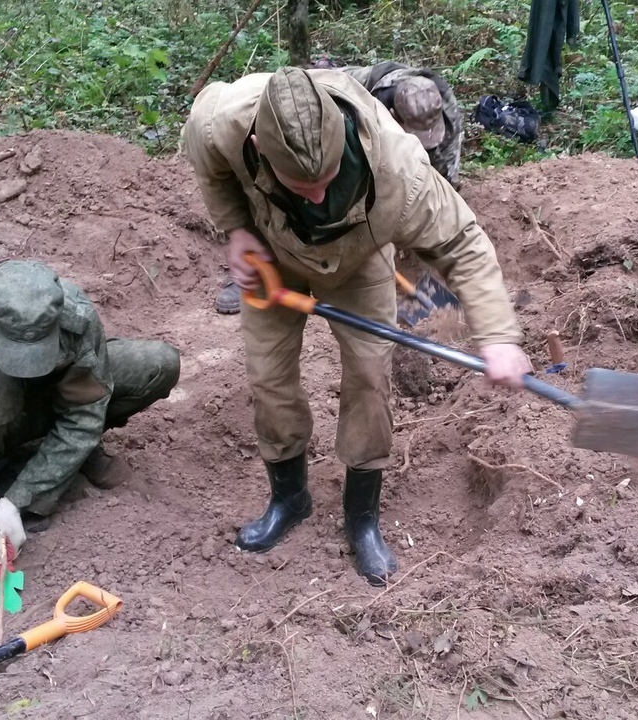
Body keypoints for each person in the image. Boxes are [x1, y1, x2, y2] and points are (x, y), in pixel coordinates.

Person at [183, 66, 531, 585]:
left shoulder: (399, 169)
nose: (319, 198)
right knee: (269, 379)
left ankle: (361, 517)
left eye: (326, 181)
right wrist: (236, 228)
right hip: (271, 256)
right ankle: (289, 499)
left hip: (361, 261)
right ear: (257, 145)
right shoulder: (223, 121)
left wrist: (498, 335)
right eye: (302, 185)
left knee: (369, 379)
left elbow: (464, 244)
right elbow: (207, 159)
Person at [0, 260, 181, 587]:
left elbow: (84, 414)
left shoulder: (74, 315)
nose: (26, 366)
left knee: (156, 364)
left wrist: (21, 498)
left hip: (43, 403)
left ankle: (51, 462)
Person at [213, 61, 465, 315]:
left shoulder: (442, 106)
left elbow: (443, 178)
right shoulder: (360, 98)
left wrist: (421, 219)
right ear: (393, 114)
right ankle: (253, 271)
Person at [340, 62, 463, 191]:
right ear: (394, 116)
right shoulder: (370, 98)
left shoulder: (447, 106)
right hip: (361, 83)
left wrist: (447, 189)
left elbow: (449, 163)